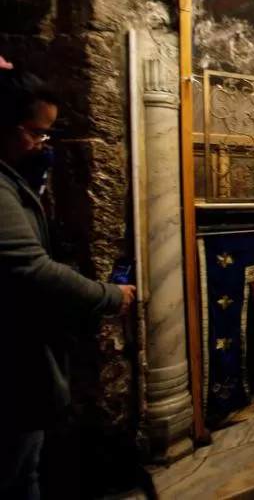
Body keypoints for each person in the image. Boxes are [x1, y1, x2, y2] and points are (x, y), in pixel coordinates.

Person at [0, 61, 135, 500]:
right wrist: (109, 296)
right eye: (34, 132)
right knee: (15, 474)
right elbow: (30, 269)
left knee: (26, 469)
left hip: (21, 366)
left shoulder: (13, 179)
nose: (41, 144)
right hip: (13, 367)